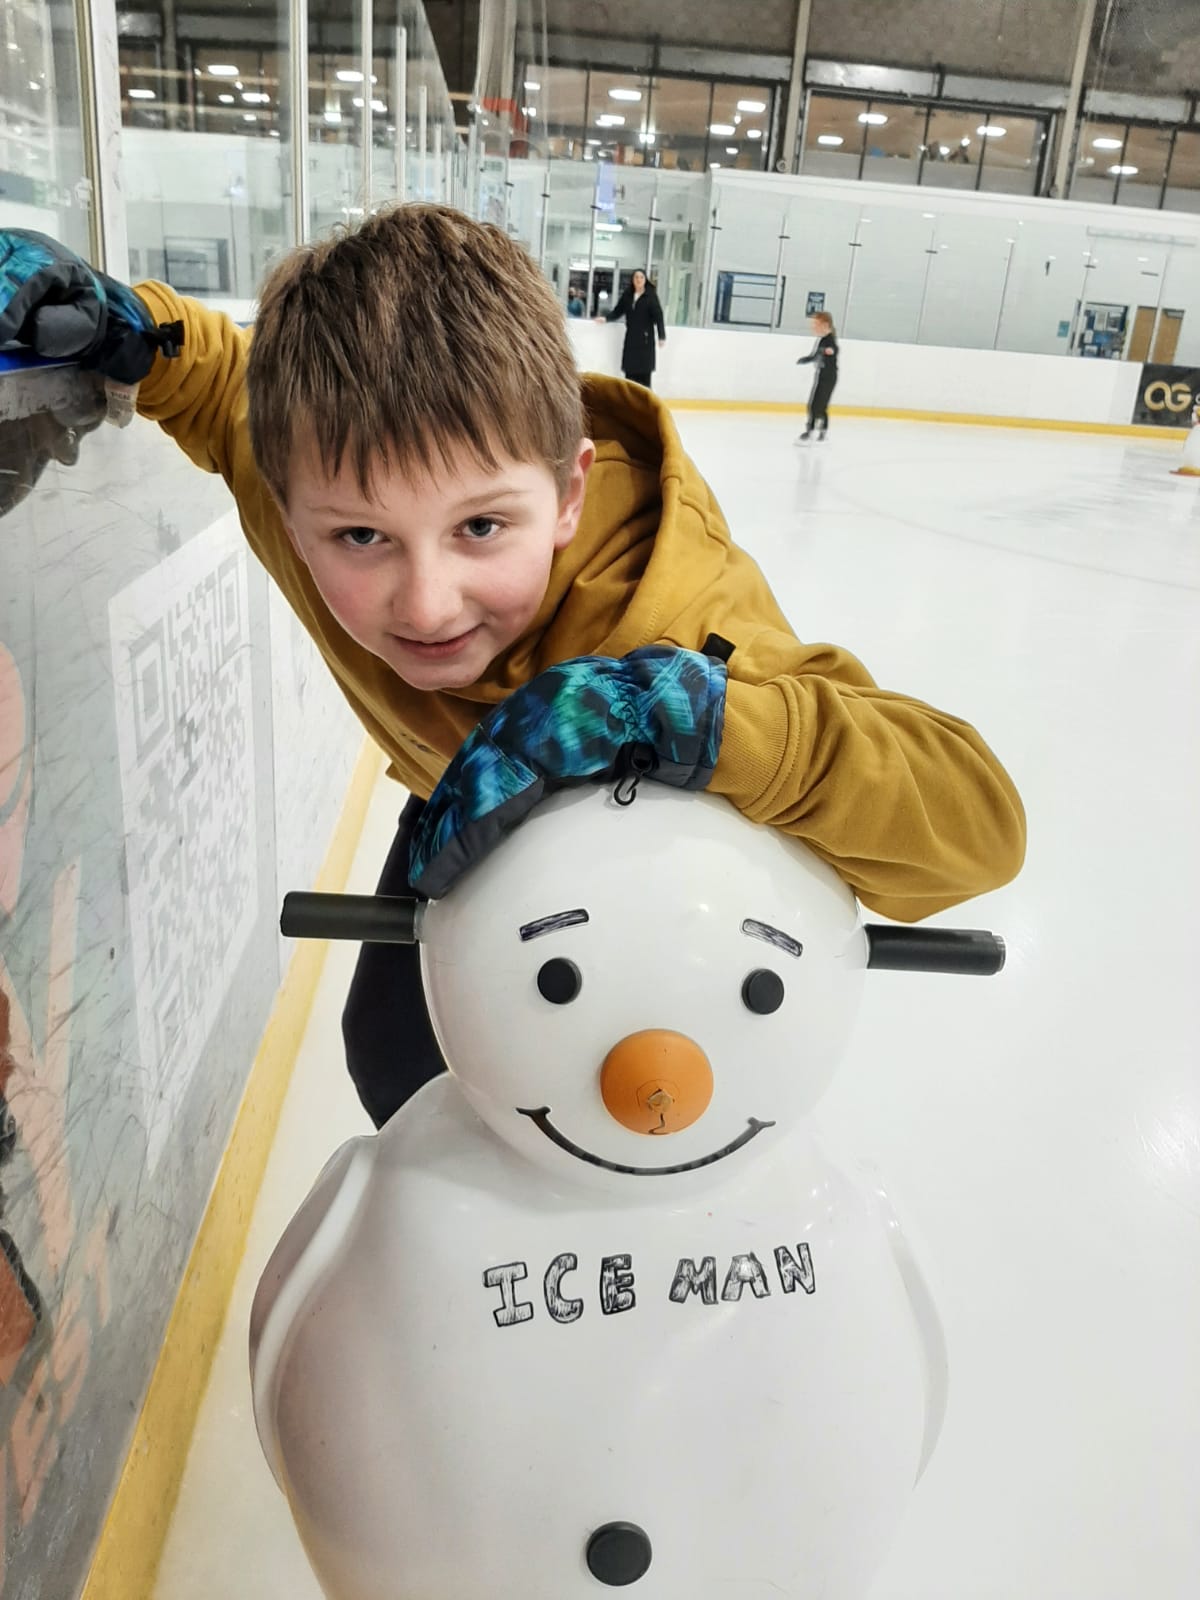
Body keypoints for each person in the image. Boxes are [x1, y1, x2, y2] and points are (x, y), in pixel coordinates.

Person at [0, 208, 1025, 1130]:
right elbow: (218, 376)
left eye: (483, 526)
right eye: (362, 538)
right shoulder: (305, 470)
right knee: (391, 1051)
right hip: (455, 789)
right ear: (286, 502)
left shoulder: (674, 622)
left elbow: (978, 827)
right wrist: (127, 324)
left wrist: (679, 715)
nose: (428, 604)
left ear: (569, 495)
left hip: (636, 850)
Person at [597, 268, 666, 388]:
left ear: (645, 280)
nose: (639, 280)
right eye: (636, 277)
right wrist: (606, 318)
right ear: (633, 280)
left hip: (645, 340)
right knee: (630, 372)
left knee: (644, 374)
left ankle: (644, 398)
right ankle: (629, 397)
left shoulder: (651, 296)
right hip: (631, 338)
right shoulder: (628, 295)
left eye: (641, 277)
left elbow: (658, 317)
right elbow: (618, 311)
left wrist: (662, 336)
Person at [796, 311, 838, 442]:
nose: (813, 327)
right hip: (822, 376)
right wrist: (806, 359)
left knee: (819, 406)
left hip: (829, 378)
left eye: (816, 324)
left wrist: (829, 351)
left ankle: (818, 432)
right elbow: (816, 356)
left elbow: (833, 349)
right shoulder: (822, 340)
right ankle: (816, 431)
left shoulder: (830, 340)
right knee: (815, 405)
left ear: (825, 325)